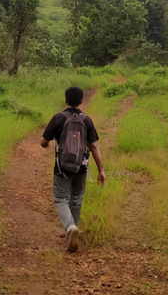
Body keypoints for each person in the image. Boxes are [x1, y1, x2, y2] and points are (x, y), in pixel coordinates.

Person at [40, 86, 106, 253]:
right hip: (81, 166)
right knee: (76, 199)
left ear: (66, 100)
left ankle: (70, 228)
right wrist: (101, 170)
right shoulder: (87, 120)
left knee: (61, 199)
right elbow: (94, 147)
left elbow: (43, 142)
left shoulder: (58, 118)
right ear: (81, 101)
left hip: (62, 168)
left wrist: (48, 144)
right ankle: (72, 230)